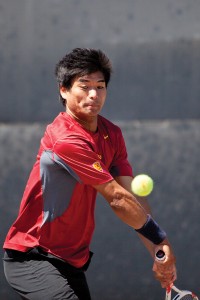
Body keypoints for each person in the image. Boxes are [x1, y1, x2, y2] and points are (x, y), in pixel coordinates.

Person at [3, 48, 177, 300]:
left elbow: (130, 196)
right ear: (63, 89)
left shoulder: (112, 134)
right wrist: (160, 239)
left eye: (100, 86)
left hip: (71, 262)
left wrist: (159, 253)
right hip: (32, 257)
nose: (94, 94)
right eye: (84, 86)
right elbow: (117, 198)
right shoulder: (65, 138)